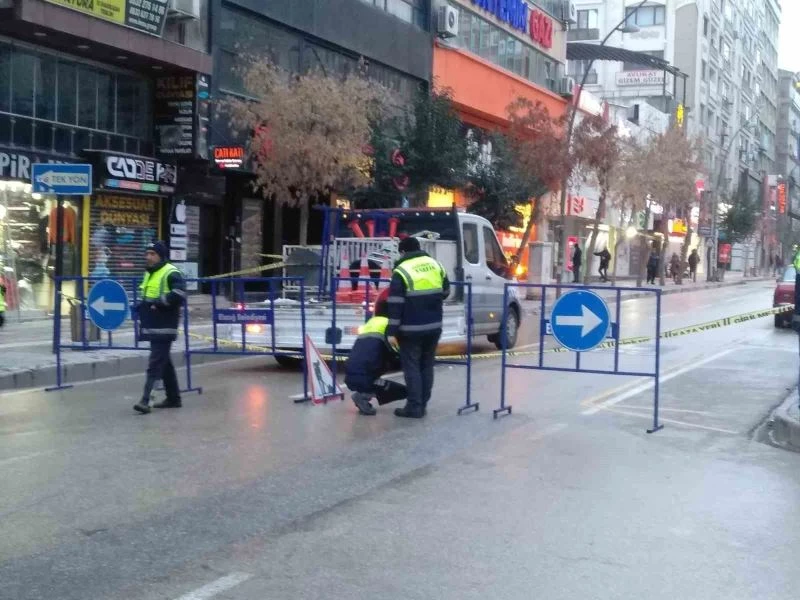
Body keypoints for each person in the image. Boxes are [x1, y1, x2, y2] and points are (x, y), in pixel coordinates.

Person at [387, 236, 450, 419]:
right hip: (434, 326)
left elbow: (395, 303)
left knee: (412, 366)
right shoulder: (436, 265)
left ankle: (414, 407)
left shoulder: (401, 271)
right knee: (426, 365)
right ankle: (423, 402)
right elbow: (446, 292)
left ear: (403, 252)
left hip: (411, 329)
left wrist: (391, 332)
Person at [133, 241, 186, 415]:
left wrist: (160, 302)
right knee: (164, 363)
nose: (148, 257)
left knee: (155, 364)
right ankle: (173, 398)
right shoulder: (150, 274)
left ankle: (146, 401)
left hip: (164, 327)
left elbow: (179, 294)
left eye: (152, 254)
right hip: (153, 326)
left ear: (161, 256)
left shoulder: (171, 272)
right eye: (147, 253)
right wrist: (141, 307)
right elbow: (149, 296)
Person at [345, 288, 407, 416]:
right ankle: (363, 395)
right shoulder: (389, 325)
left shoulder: (371, 323)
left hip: (350, 372)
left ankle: (364, 393)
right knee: (405, 391)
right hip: (365, 374)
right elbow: (398, 352)